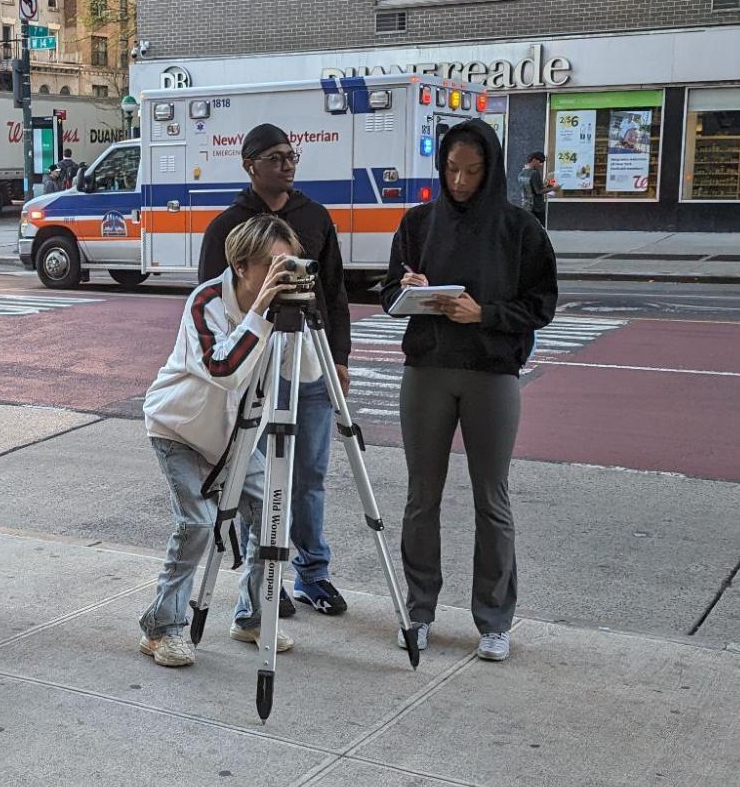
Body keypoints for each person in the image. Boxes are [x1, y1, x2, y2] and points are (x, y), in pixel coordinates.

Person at [382, 117, 557, 665]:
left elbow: (542, 306)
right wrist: (406, 290)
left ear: (491, 169)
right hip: (427, 369)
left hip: (492, 372)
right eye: (452, 169)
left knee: (492, 498)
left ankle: (495, 620)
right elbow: (386, 294)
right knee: (421, 497)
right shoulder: (417, 223)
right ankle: (419, 610)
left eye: (472, 171)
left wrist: (485, 314)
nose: (459, 181)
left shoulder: (520, 229)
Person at [196, 122, 352, 619]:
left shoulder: (315, 217)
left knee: (309, 475)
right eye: (276, 157)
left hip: (310, 358)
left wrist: (340, 357)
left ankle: (313, 573)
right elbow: (212, 299)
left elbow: (334, 291)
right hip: (255, 364)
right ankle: (263, 580)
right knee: (255, 479)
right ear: (250, 165)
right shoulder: (228, 226)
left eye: (291, 155)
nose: (287, 164)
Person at [141, 218, 305, 667]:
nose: (281, 273)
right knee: (197, 524)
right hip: (179, 429)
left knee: (273, 514)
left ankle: (252, 617)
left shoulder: (278, 309)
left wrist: (300, 314)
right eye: (272, 264)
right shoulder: (207, 301)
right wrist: (261, 312)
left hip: (237, 439)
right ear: (241, 265)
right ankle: (161, 628)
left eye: (289, 263)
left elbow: (307, 372)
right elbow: (224, 369)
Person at [517, 150, 554, 225]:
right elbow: (539, 191)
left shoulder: (521, 174)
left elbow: (530, 187)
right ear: (534, 160)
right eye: (540, 162)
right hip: (536, 206)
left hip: (525, 205)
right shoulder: (535, 173)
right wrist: (554, 188)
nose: (541, 165)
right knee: (541, 226)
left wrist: (546, 185)